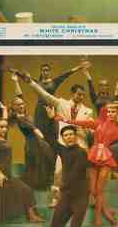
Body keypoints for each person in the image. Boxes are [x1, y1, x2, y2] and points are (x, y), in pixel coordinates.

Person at [55, 103, 118, 227]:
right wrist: (64, 120)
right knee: (93, 190)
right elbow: (81, 123)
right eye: (109, 111)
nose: (110, 114)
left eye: (113, 112)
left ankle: (98, 217)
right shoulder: (99, 123)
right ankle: (106, 210)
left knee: (99, 190)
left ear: (117, 114)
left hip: (106, 158)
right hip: (93, 156)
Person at [21, 75, 94, 207]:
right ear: (72, 93)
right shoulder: (61, 103)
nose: (81, 97)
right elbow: (45, 95)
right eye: (79, 94)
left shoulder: (87, 111)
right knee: (58, 172)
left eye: (83, 95)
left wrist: (90, 130)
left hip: (80, 145)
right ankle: (56, 198)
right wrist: (31, 82)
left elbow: (90, 127)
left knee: (82, 174)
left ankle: (84, 199)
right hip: (63, 144)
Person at [41, 122, 90, 227]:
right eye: (65, 135)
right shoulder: (63, 150)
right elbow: (49, 140)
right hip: (67, 196)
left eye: (71, 134)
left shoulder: (82, 153)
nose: (68, 137)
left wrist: (58, 189)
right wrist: (50, 120)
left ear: (75, 136)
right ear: (63, 138)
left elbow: (74, 174)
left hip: (80, 196)